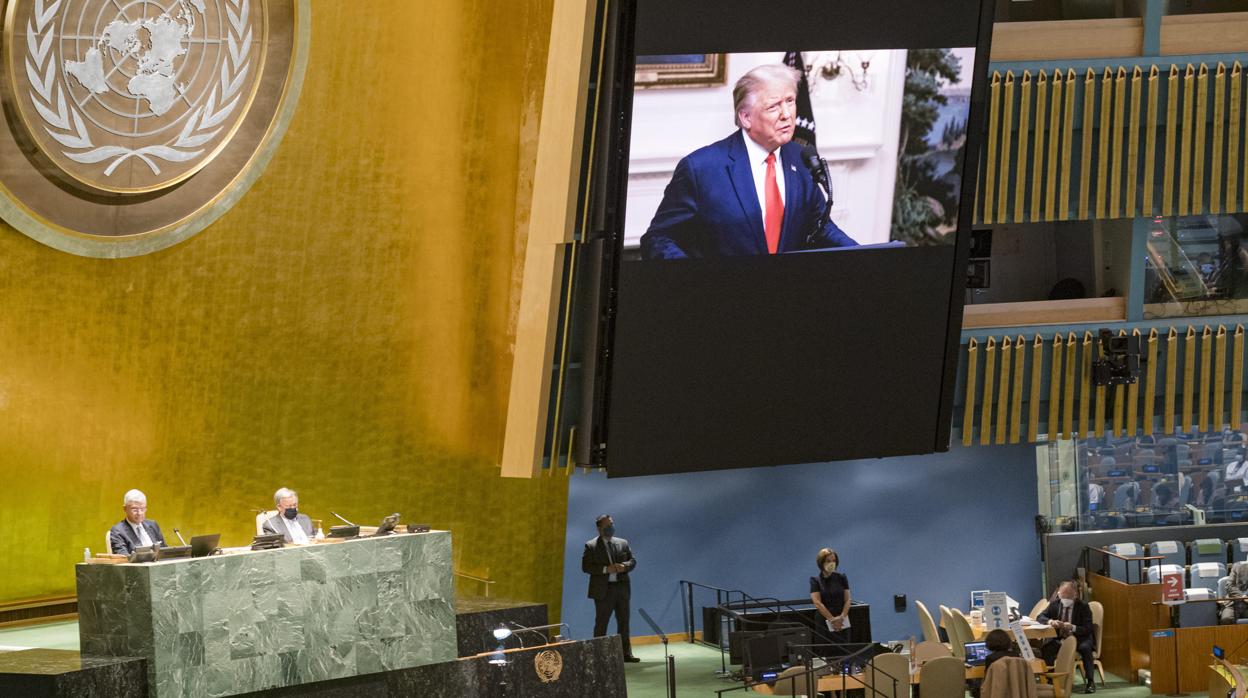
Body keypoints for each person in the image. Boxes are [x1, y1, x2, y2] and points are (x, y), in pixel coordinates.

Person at [640, 64, 857, 259]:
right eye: (773, 106)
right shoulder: (701, 168)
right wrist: (697, 281)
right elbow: (658, 238)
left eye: (790, 101)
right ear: (745, 118)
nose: (787, 114)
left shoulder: (800, 158)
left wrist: (863, 255)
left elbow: (821, 226)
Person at [582, 514, 639, 663]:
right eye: (607, 526)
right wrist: (606, 569)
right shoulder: (591, 546)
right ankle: (598, 656)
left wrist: (624, 566)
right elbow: (586, 567)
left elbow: (633, 561)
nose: (611, 527)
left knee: (624, 623)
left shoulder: (623, 543)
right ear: (600, 528)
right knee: (601, 624)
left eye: (612, 524)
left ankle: (626, 654)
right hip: (603, 591)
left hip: (621, 588)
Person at [1037, 580, 1096, 694]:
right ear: (1059, 594)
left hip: (1079, 638)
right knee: (1047, 648)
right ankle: (1050, 679)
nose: (1065, 599)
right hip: (1060, 638)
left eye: (1068, 596)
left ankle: (1090, 681)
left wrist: (1073, 627)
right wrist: (1051, 621)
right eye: (1062, 595)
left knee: (1086, 649)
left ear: (1075, 595)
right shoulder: (1055, 604)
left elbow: (1088, 628)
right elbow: (1040, 616)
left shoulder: (1083, 606)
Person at [809, 548, 851, 644]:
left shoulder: (842, 577)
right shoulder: (815, 580)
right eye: (828, 561)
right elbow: (817, 603)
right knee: (826, 649)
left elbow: (848, 600)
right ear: (821, 562)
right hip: (824, 619)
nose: (832, 563)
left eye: (834, 561)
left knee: (844, 648)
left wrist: (842, 617)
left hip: (842, 619)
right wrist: (832, 620)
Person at [108, 489, 166, 555]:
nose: (139, 513)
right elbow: (123, 557)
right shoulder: (118, 531)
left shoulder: (153, 525)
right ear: (125, 509)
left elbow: (164, 550)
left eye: (142, 509)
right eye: (135, 509)